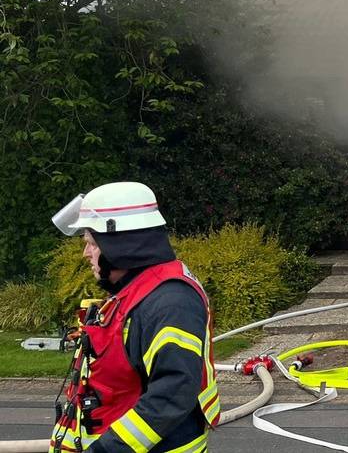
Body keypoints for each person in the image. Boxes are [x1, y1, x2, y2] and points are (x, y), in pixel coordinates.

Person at [48, 182, 219, 452]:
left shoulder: (170, 304)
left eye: (92, 243)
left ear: (122, 246)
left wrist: (106, 449)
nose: (86, 254)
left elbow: (172, 393)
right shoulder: (138, 291)